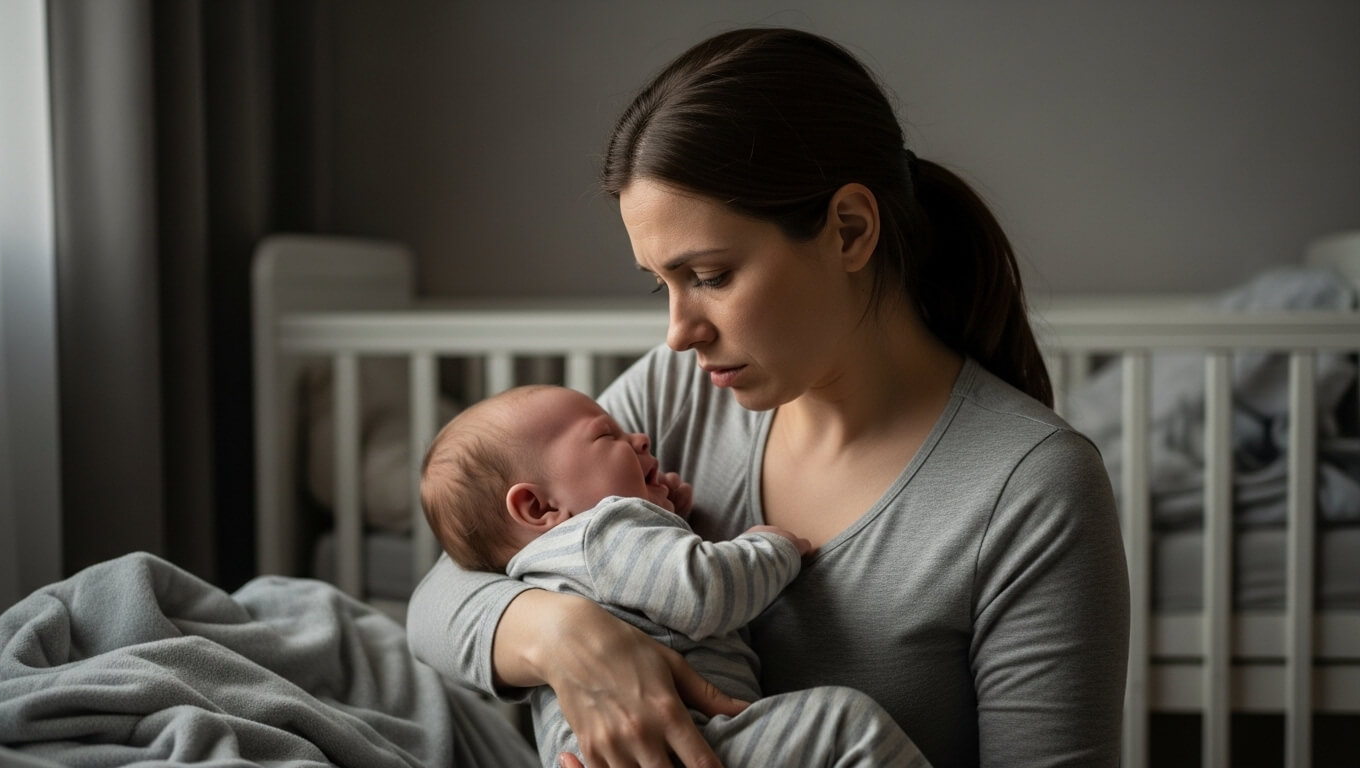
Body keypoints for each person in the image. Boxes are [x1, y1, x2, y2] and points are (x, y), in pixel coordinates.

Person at [408, 26, 1129, 768]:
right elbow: (444, 592)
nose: (679, 331)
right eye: (663, 284)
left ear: (849, 230)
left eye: (711, 276)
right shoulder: (675, 395)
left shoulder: (1032, 487)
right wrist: (565, 639)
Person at [419, 384, 929, 767]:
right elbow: (704, 592)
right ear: (537, 506)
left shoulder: (542, 565)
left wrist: (669, 526)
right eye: (606, 434)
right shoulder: (604, 530)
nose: (639, 436)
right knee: (844, 725)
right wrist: (771, 546)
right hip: (694, 746)